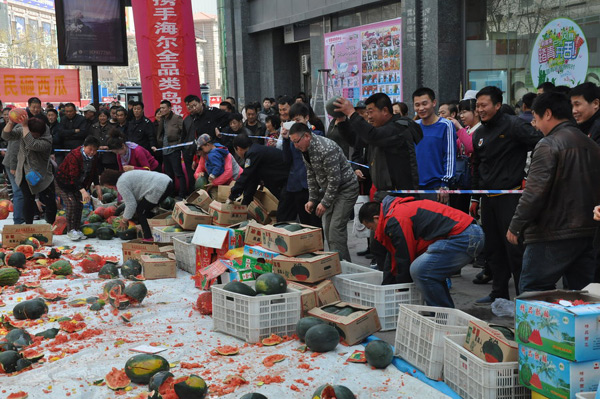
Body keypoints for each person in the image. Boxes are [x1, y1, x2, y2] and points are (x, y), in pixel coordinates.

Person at [508, 91, 600, 292]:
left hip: (552, 232)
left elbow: (533, 193)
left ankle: (537, 326)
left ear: (547, 114)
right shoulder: (591, 144)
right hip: (587, 232)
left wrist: (516, 226)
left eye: (536, 117)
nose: (535, 124)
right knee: (581, 296)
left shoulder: (548, 144)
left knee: (533, 291)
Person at [470, 86, 543, 305]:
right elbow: (476, 164)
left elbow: (541, 143)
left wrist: (529, 176)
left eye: (484, 105)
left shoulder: (513, 125)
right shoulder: (479, 133)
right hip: (487, 199)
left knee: (515, 248)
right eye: (477, 106)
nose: (480, 110)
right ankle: (498, 292)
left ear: (498, 105)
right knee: (493, 248)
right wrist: (475, 197)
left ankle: (524, 296)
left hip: (510, 197)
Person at [358, 197, 484, 307]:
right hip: (466, 235)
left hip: (465, 237)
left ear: (376, 218)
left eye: (370, 227)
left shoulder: (396, 218)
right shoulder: (393, 213)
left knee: (420, 270)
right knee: (428, 270)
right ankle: (441, 312)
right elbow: (393, 258)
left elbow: (404, 256)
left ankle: (441, 316)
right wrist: (386, 289)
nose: (372, 231)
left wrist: (401, 293)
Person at [289, 122, 358, 261]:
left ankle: (343, 268)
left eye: (297, 142)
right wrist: (312, 199)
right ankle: (336, 264)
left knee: (335, 230)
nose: (296, 146)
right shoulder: (306, 149)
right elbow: (311, 174)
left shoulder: (326, 148)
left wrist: (324, 203)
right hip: (329, 190)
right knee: (327, 230)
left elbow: (335, 180)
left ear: (307, 136)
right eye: (293, 142)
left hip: (346, 189)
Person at [2, 116, 56, 224]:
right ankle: (28, 225)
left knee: (49, 201)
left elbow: (32, 144)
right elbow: (6, 136)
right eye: (30, 133)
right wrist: (11, 123)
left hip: (42, 174)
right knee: (28, 200)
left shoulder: (47, 139)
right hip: (24, 171)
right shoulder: (23, 130)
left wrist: (26, 127)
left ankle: (50, 224)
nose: (32, 136)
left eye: (35, 135)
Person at [279, 102, 323, 228]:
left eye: (298, 119)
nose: (296, 123)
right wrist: (286, 140)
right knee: (303, 223)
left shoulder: (317, 134)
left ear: (307, 118)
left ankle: (319, 247)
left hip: (313, 185)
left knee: (316, 223)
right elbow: (286, 160)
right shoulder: (292, 138)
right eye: (293, 120)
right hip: (297, 185)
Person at [227, 133, 289, 216]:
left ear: (238, 148)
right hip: (284, 181)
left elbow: (245, 176)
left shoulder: (253, 154)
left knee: (284, 215)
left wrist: (232, 195)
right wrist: (244, 206)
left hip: (288, 182)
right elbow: (252, 181)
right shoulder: (256, 150)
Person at [100, 169, 173, 240]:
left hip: (159, 187)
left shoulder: (121, 183)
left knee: (141, 211)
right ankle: (155, 231)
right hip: (166, 181)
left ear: (109, 182)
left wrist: (124, 220)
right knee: (145, 209)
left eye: (107, 186)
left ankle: (148, 237)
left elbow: (131, 204)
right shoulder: (124, 176)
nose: (108, 188)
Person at [413, 87, 457, 204]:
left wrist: (445, 184)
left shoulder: (445, 125)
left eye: (424, 103)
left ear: (433, 103)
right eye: (417, 105)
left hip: (436, 188)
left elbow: (450, 156)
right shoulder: (413, 126)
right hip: (414, 187)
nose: (421, 108)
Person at [55, 136, 103, 241]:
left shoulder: (94, 157)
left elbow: (94, 171)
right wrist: (83, 191)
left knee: (79, 205)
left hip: (78, 184)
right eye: (90, 149)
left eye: (95, 150)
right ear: (84, 146)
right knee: (72, 204)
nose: (92, 152)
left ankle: (76, 229)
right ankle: (70, 230)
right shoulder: (75, 156)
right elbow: (73, 176)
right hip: (63, 182)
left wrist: (98, 186)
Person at [182, 94, 229, 194]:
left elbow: (227, 117)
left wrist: (218, 127)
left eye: (195, 105)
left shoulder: (212, 111)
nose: (194, 108)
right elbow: (197, 138)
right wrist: (196, 157)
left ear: (201, 102)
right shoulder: (194, 118)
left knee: (219, 171)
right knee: (202, 175)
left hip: (215, 149)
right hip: (204, 152)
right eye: (191, 107)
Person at [154, 100, 186, 199]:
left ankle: (182, 194)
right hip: (165, 150)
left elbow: (183, 133)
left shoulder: (177, 118)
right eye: (161, 108)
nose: (162, 110)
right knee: (168, 174)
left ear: (169, 108)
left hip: (174, 149)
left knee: (178, 173)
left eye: (163, 108)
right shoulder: (162, 119)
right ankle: (171, 194)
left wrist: (179, 145)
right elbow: (160, 134)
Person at [2, 115, 24, 224]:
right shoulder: (20, 129)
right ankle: (18, 221)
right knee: (19, 192)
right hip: (12, 163)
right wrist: (13, 167)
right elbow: (14, 150)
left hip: (20, 164)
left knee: (21, 191)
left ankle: (22, 217)